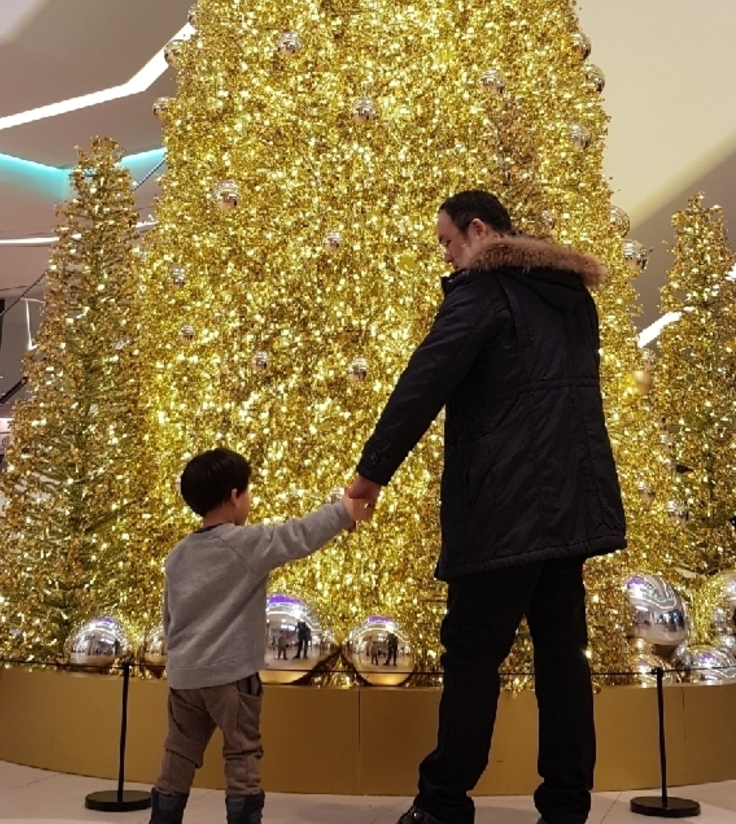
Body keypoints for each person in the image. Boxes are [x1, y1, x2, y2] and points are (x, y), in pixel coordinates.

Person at [348, 190, 626, 824]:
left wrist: (371, 472)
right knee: (563, 656)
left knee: (472, 654)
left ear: (477, 230)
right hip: (571, 503)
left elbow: (423, 383)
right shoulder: (571, 297)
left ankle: (443, 801)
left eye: (448, 242)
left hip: (504, 505)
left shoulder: (482, 293)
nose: (446, 256)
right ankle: (567, 806)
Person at [151, 447, 373, 824]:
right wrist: (343, 511)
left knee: (179, 753)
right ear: (234, 497)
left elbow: (169, 618)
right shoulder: (245, 544)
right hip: (231, 678)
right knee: (242, 754)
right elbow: (298, 535)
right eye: (248, 491)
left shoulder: (178, 556)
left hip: (184, 678)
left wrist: (180, 661)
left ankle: (162, 818)